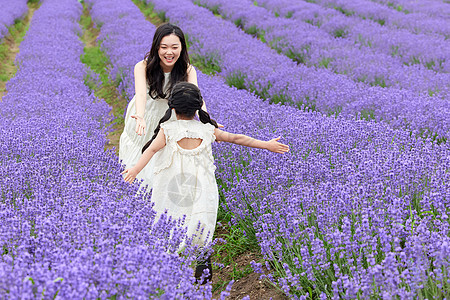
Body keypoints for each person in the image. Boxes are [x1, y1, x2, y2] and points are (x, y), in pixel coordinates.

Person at [121, 82, 289, 283]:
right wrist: (266, 145)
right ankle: (203, 277)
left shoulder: (168, 130)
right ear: (199, 107)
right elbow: (237, 138)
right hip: (202, 189)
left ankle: (168, 274)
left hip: (172, 188)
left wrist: (135, 170)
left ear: (171, 108)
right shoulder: (208, 130)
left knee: (170, 222)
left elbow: (150, 151)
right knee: (201, 225)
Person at [119, 23, 203, 186]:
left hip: (169, 119)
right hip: (144, 116)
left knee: (163, 161)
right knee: (139, 154)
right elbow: (141, 94)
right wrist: (141, 116)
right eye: (164, 47)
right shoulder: (143, 66)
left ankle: (158, 203)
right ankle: (131, 198)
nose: (169, 52)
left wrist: (207, 121)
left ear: (182, 48)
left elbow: (197, 97)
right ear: (156, 47)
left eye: (174, 47)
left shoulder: (188, 70)